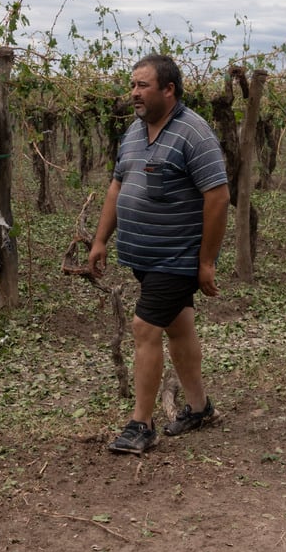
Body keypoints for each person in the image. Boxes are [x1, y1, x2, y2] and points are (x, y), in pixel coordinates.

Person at [88, 54, 231, 454]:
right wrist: (101, 239)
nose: (134, 92)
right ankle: (200, 408)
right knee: (179, 327)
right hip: (144, 257)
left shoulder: (194, 132)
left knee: (144, 329)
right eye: (132, 85)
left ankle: (141, 424)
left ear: (168, 90)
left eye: (143, 85)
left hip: (177, 255)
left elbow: (218, 197)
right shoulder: (134, 132)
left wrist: (205, 262)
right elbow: (118, 186)